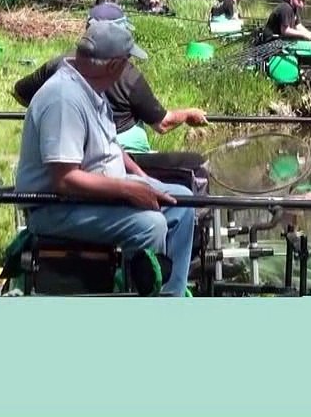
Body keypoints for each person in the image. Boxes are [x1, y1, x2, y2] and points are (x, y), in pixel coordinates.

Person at [14, 19, 196, 296]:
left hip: (93, 195)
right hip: (56, 208)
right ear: (113, 66)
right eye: (127, 62)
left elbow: (110, 146)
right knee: (150, 225)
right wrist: (129, 190)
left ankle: (171, 295)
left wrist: (141, 178)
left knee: (183, 201)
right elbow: (64, 179)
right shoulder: (64, 99)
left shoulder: (91, 90)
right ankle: (141, 298)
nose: (129, 68)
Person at [13, 2, 210, 190]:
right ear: (114, 63)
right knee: (194, 165)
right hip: (115, 165)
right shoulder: (124, 76)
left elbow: (20, 92)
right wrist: (187, 114)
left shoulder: (61, 66)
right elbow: (162, 124)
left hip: (110, 163)